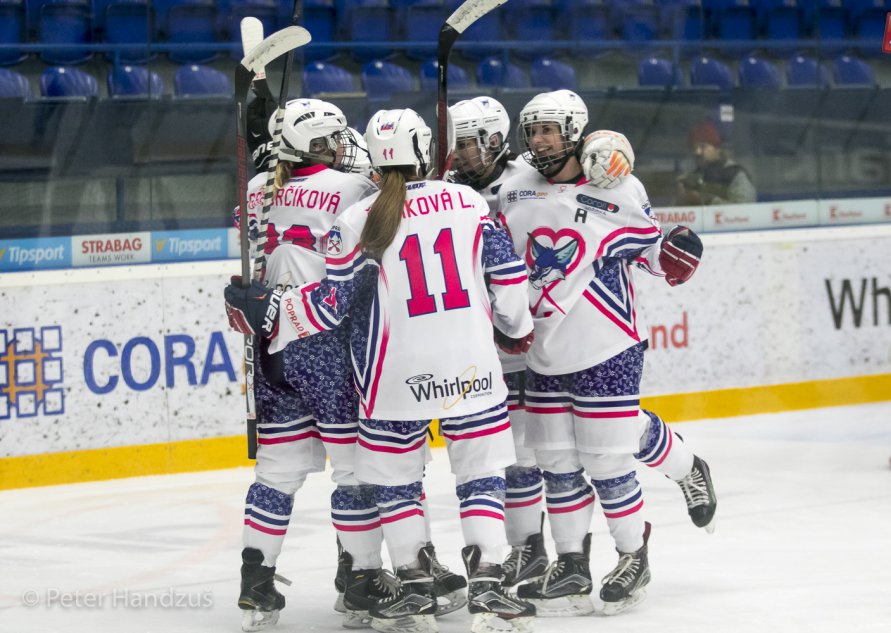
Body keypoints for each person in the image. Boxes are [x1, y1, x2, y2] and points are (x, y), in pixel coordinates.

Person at [225, 108, 538, 633]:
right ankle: (437, 577)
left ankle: (388, 580)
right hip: (434, 359)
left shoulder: (310, 204)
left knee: (337, 477)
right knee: (448, 473)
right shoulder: (453, 200)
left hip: (335, 358)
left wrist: (273, 308)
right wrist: (516, 328)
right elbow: (506, 276)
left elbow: (325, 293)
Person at [494, 89, 717, 617]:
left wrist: (673, 254)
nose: (540, 139)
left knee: (607, 457)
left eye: (550, 129)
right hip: (542, 347)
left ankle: (634, 554)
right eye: (533, 130)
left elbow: (649, 251)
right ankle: (571, 562)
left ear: (574, 131)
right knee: (556, 462)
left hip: (607, 342)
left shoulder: (615, 185)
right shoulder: (515, 186)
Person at [232, 98, 384, 633]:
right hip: (325, 338)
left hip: (269, 343)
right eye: (331, 138)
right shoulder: (353, 187)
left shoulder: (254, 189)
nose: (340, 145)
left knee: (276, 470)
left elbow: (270, 211)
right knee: (354, 468)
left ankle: (256, 583)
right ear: (315, 142)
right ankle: (361, 580)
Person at [676, 118, 756, 205]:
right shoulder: (691, 178)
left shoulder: (735, 175)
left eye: (703, 147)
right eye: (694, 148)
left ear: (717, 149)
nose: (697, 152)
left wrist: (708, 200)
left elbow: (744, 209)